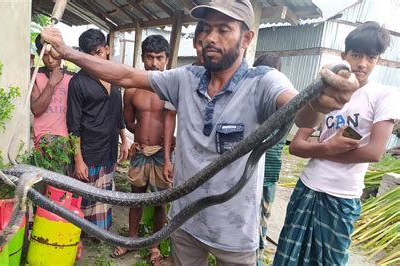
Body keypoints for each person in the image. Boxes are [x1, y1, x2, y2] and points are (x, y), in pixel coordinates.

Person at [40, 0, 358, 263]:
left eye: (223, 29)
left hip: (234, 233)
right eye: (205, 29)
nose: (210, 37)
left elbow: (299, 112)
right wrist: (68, 53)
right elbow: (125, 75)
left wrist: (318, 102)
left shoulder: (263, 82)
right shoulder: (186, 79)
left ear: (246, 38)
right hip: (185, 225)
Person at [274, 21, 400, 265]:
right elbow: (296, 145)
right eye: (356, 55)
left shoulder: (384, 95)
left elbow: (374, 152)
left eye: (371, 57)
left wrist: (320, 150)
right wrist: (327, 147)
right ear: (344, 56)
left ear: (379, 61)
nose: (362, 63)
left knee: (330, 261)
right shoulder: (326, 91)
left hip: (342, 197)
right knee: (288, 257)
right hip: (307, 187)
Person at [112, 35, 171, 264]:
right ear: (143, 57)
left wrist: (170, 140)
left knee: (160, 201)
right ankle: (132, 240)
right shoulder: (133, 89)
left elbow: (180, 119)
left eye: (159, 58)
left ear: (166, 58)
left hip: (161, 154)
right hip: (140, 152)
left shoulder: (170, 88)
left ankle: (155, 246)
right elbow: (129, 121)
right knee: (135, 198)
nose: (154, 63)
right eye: (149, 57)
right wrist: (140, 137)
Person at [66, 29, 128, 231]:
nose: (96, 59)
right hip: (89, 150)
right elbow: (73, 124)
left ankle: (99, 232)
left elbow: (117, 112)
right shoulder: (78, 82)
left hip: (109, 146)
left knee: (104, 193)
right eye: (90, 55)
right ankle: (79, 233)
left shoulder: (114, 78)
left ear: (107, 50)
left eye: (99, 52)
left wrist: (124, 140)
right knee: (84, 196)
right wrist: (78, 159)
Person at [251, 53, 284, 265]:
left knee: (261, 220)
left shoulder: (282, 100)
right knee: (250, 221)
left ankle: (257, 259)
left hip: (268, 175)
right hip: (250, 176)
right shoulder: (252, 99)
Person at [163, 20, 205, 182]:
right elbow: (169, 117)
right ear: (194, 43)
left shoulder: (230, 80)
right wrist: (168, 159)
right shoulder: (181, 78)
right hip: (185, 161)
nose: (206, 49)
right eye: (202, 43)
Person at [30, 34, 72, 149]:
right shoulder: (34, 75)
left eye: (54, 55)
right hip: (43, 138)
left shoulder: (72, 78)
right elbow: (36, 110)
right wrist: (52, 83)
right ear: (39, 54)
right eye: (45, 55)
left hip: (67, 140)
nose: (50, 60)